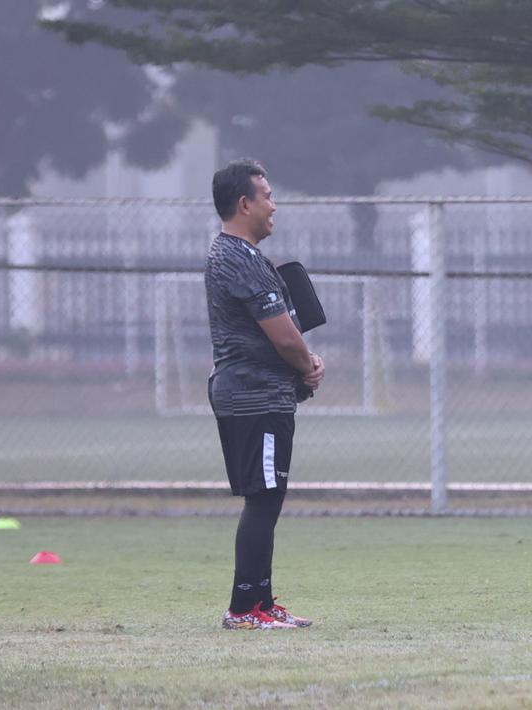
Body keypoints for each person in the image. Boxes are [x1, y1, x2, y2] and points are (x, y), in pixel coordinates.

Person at [205, 158, 325, 629]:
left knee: (268, 497)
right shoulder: (236, 257)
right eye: (267, 196)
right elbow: (283, 336)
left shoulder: (247, 257)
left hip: (264, 394)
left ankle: (262, 602)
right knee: (263, 498)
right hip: (253, 397)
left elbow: (287, 331)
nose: (274, 205)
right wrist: (308, 365)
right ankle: (243, 609)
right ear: (244, 203)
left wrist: (302, 365)